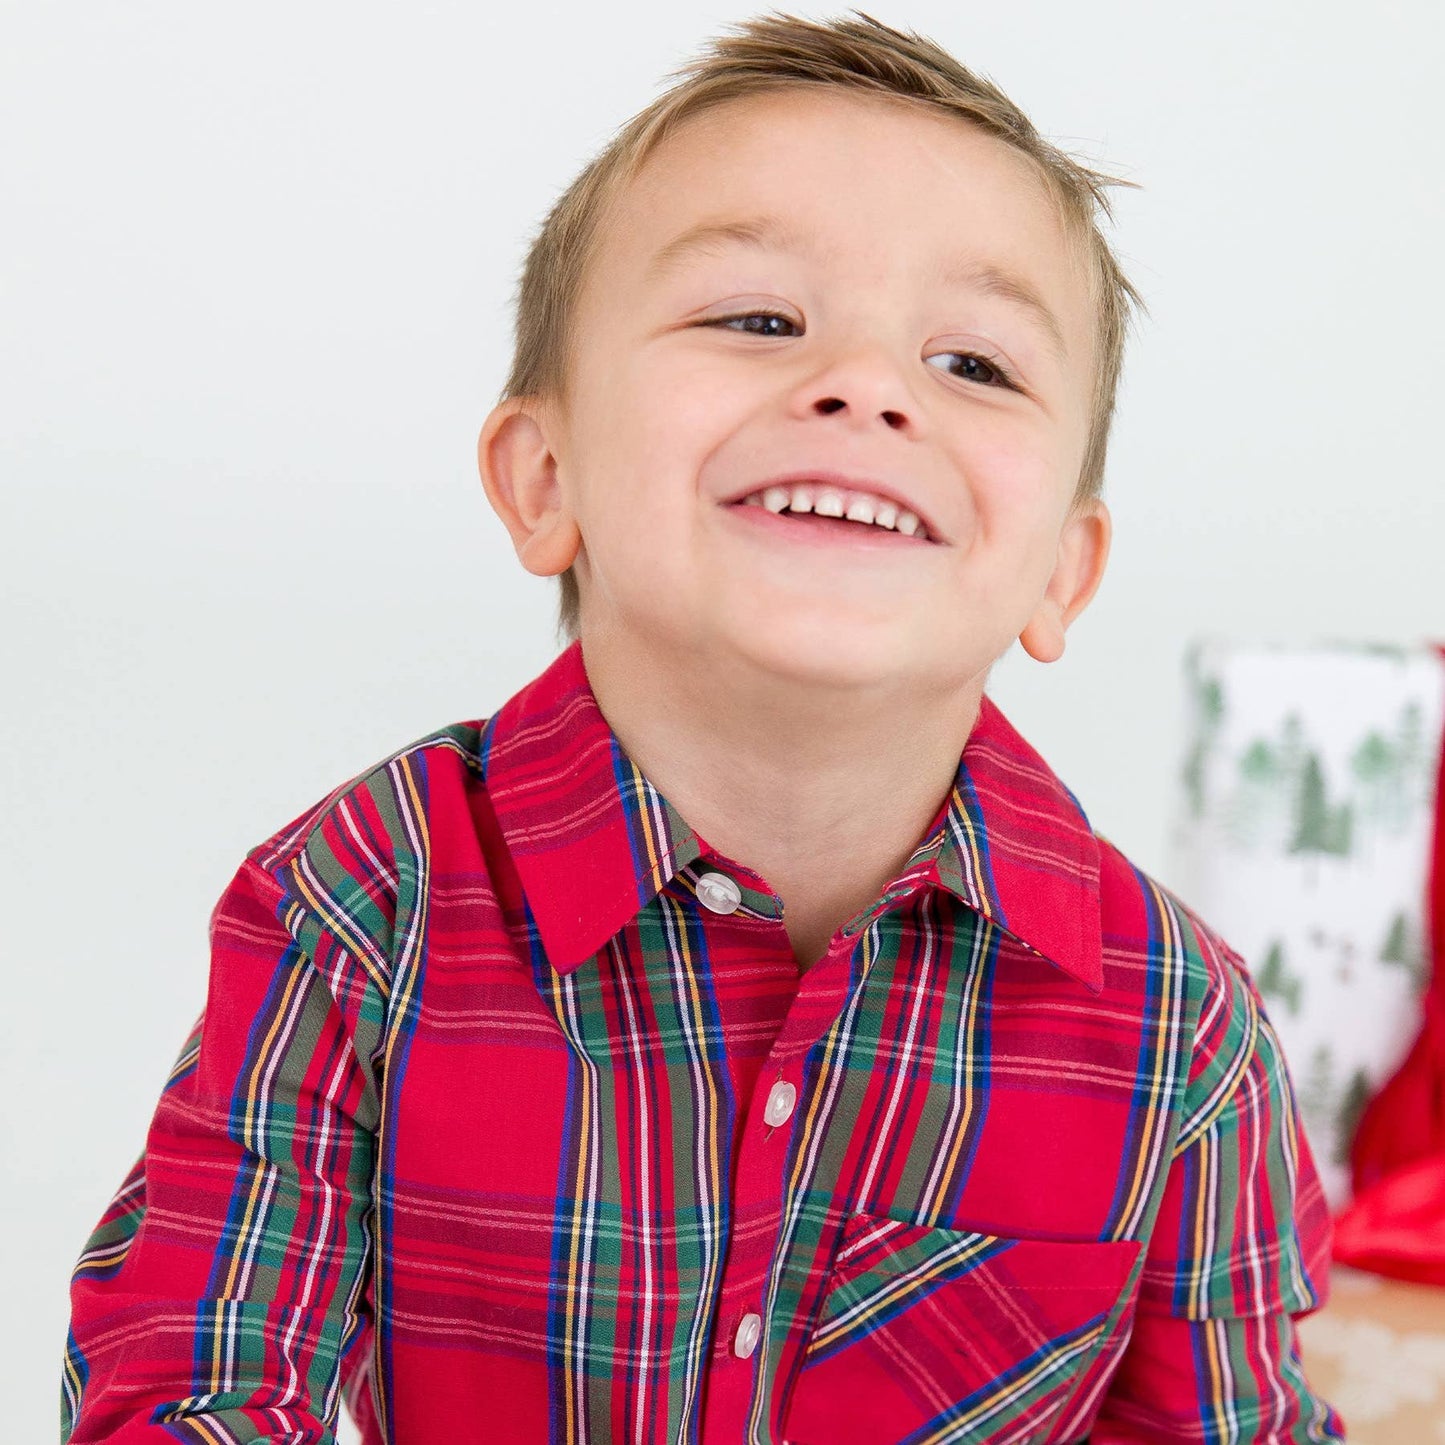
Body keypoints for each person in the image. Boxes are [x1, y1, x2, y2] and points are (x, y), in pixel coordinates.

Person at [61, 11, 1345, 1442]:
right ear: (544, 476)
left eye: (972, 363)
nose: (866, 388)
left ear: (1059, 570)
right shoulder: (363, 906)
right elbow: (190, 1381)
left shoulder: (1176, 1025)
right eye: (757, 319)